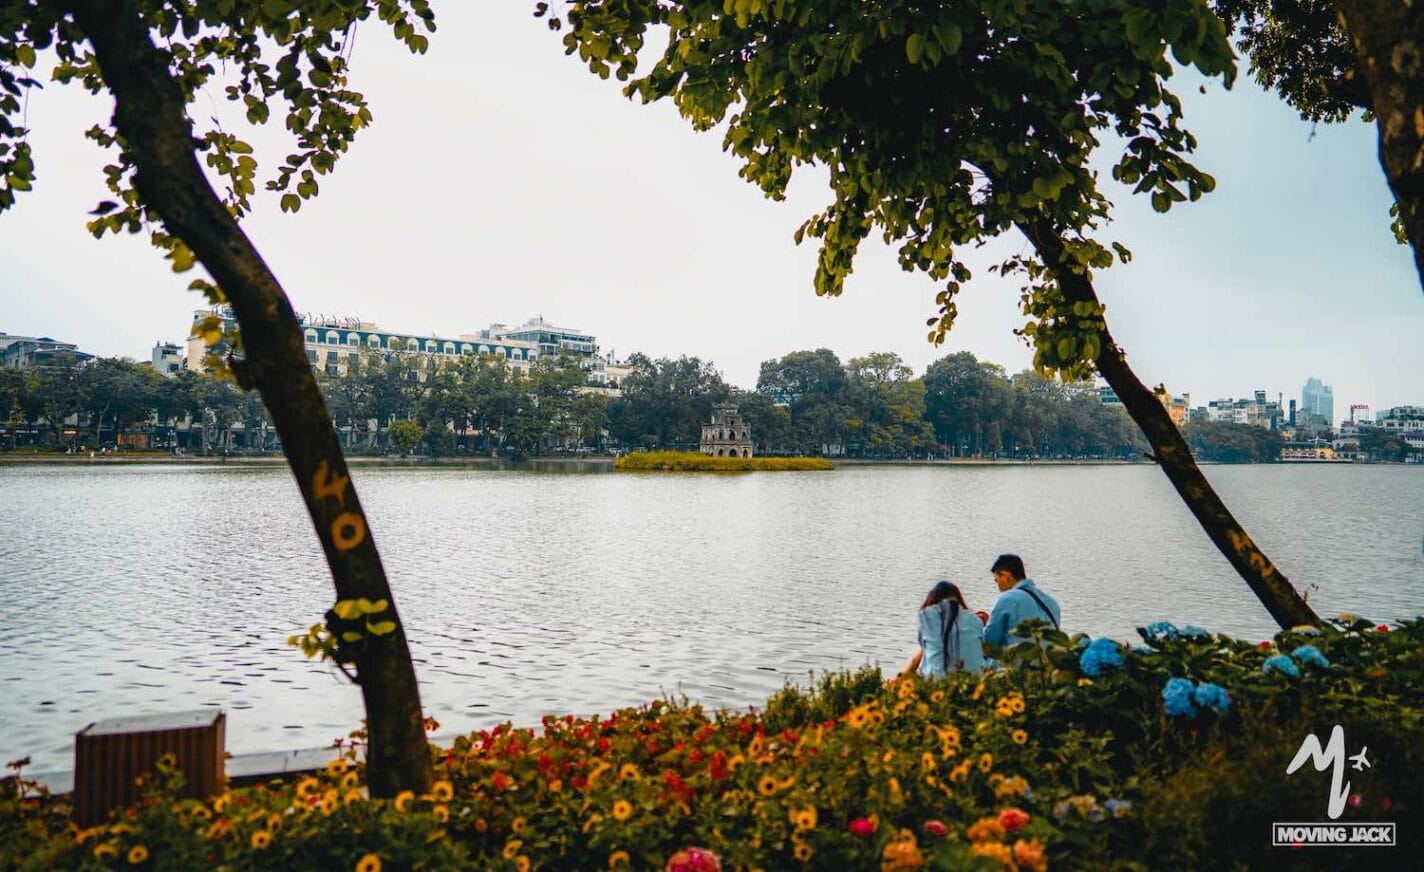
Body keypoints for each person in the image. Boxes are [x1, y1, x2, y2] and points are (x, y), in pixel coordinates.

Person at [901, 581, 985, 678]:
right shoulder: (976, 621)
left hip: (936, 687)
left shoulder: (929, 620)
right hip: (973, 684)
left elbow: (923, 653)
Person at [984, 554, 1061, 647]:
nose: (997, 584)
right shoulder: (1051, 602)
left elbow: (989, 640)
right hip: (1047, 660)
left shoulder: (1007, 599)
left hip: (1018, 659)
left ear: (1006, 576)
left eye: (996, 579)